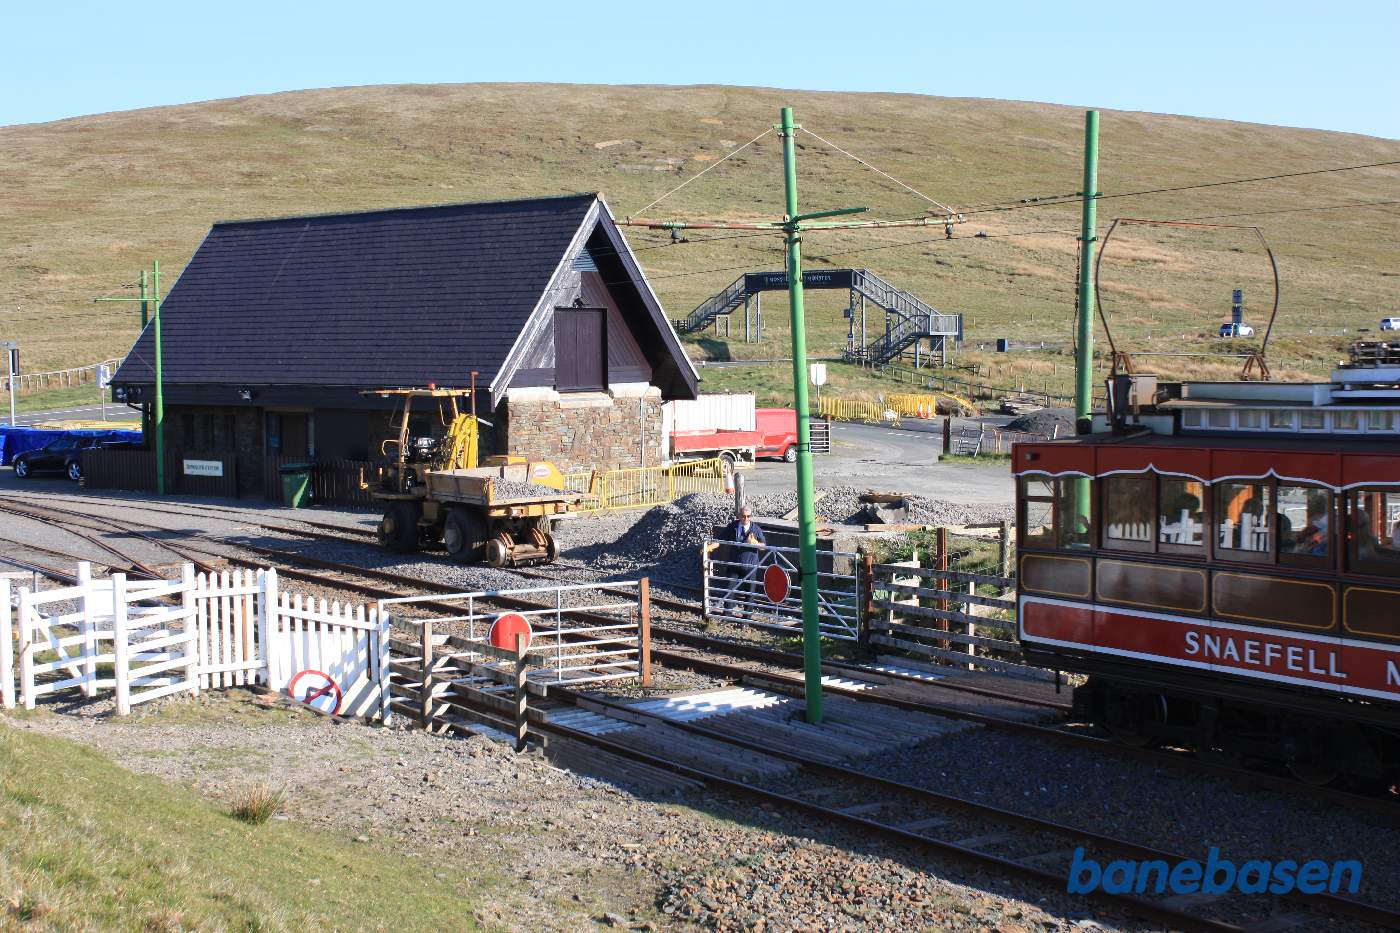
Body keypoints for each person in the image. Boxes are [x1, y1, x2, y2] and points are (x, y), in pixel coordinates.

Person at [724, 505, 766, 617]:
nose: (746, 519)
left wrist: (756, 543)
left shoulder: (756, 529)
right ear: (739, 516)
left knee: (749, 593)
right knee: (729, 589)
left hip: (750, 565)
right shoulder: (732, 526)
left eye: (748, 516)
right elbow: (721, 538)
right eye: (743, 516)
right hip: (734, 563)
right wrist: (711, 545)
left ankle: (746, 618)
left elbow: (764, 546)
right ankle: (727, 615)